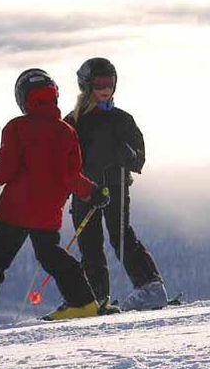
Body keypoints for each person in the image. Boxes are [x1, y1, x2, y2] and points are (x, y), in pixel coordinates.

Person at [0, 69, 110, 326]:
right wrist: (93, 193)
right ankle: (83, 303)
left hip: (14, 211)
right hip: (47, 212)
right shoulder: (66, 133)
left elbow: (4, 170)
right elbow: (71, 177)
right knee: (51, 256)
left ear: (22, 98)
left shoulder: (17, 128)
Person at [64, 57, 168, 312]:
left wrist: (129, 156)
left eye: (109, 83)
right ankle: (97, 298)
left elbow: (139, 157)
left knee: (120, 235)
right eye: (100, 83)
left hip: (115, 186)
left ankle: (150, 289)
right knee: (90, 242)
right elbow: (64, 158)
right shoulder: (73, 122)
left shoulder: (122, 119)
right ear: (86, 86)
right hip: (86, 189)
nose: (105, 89)